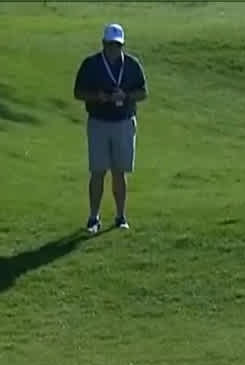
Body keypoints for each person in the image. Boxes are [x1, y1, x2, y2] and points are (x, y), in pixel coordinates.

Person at [72, 23, 148, 234]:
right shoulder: (91, 65)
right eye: (111, 45)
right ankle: (93, 218)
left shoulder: (131, 65)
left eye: (118, 45)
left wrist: (126, 96)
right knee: (97, 171)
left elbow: (143, 92)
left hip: (124, 122)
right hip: (99, 122)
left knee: (119, 172)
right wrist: (99, 97)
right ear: (103, 44)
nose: (114, 49)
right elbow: (78, 92)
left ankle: (120, 216)